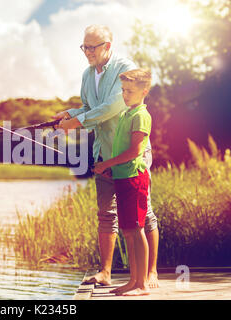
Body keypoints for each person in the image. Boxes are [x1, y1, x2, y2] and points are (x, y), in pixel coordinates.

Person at [52, 24, 159, 288]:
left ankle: (151, 273)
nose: (86, 52)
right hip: (104, 154)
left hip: (130, 155)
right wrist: (70, 113)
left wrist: (77, 122)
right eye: (84, 47)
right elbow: (90, 108)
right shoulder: (88, 75)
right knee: (106, 214)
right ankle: (105, 272)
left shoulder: (125, 68)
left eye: (92, 47)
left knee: (143, 215)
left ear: (107, 46)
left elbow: (112, 107)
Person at [93, 68, 152, 296]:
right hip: (123, 177)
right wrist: (113, 170)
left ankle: (143, 284)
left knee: (137, 231)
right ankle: (133, 281)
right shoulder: (127, 114)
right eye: (123, 90)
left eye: (130, 91)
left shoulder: (140, 115)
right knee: (128, 231)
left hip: (135, 180)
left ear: (143, 91)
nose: (125, 95)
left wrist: (108, 164)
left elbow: (136, 151)